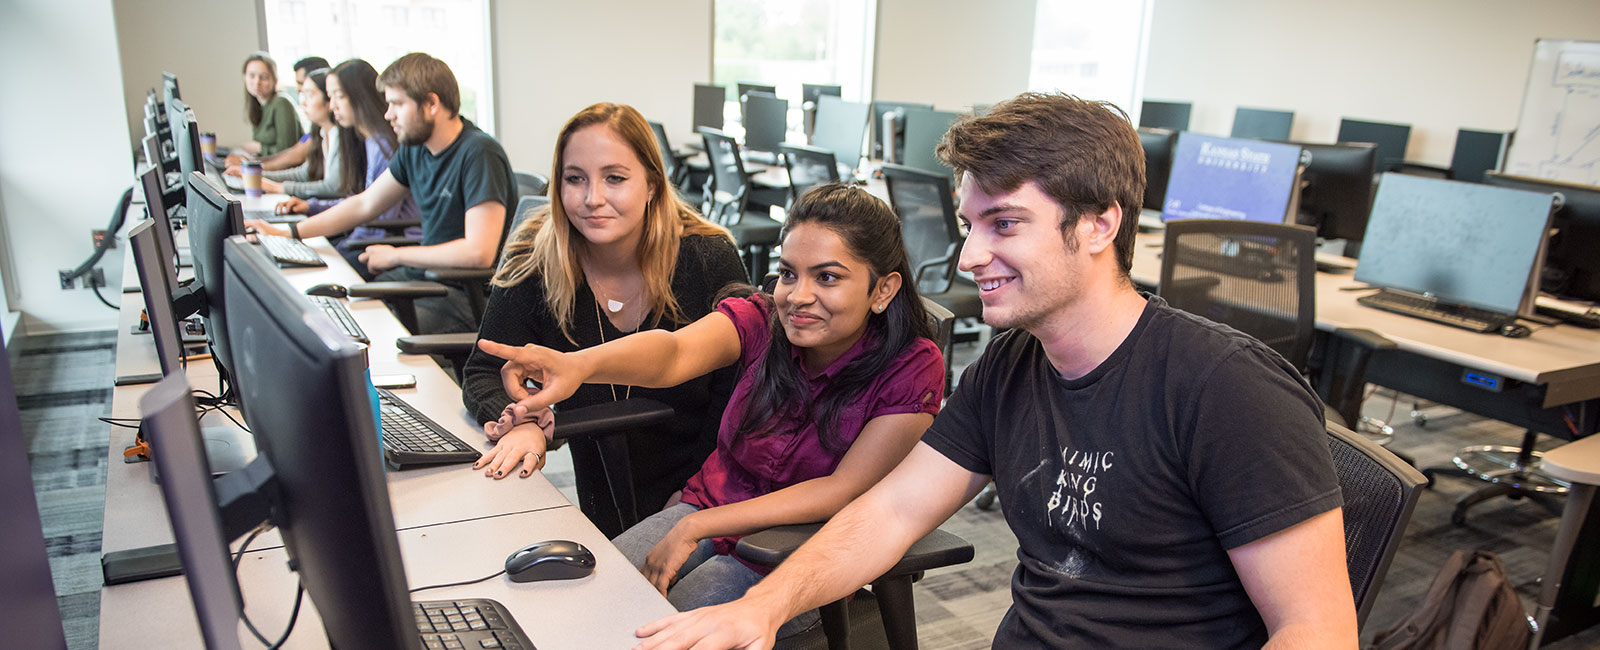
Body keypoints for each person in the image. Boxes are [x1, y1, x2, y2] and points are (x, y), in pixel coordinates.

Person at [630, 92, 1358, 650]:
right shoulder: (1011, 365)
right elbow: (889, 514)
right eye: (968, 222)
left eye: (1003, 224)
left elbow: (1318, 632)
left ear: (1100, 224)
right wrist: (765, 605)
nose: (971, 254)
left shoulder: (1226, 389)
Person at [481, 182, 945, 637]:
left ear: (882, 289)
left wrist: (695, 525)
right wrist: (577, 365)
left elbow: (840, 491)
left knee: (650, 632)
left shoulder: (913, 366)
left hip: (797, 546)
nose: (797, 296)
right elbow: (674, 353)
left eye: (827, 277)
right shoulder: (764, 318)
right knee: (594, 600)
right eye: (788, 273)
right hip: (710, 505)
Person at [460, 102, 747, 538]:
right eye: (575, 179)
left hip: (710, 488)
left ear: (652, 183)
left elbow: (746, 390)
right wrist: (521, 421)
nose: (592, 198)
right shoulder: (536, 256)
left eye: (615, 178)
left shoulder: (706, 258)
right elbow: (484, 369)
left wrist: (699, 488)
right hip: (601, 504)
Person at [244, 52, 515, 334]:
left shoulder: (479, 152)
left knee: (360, 329)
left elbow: (478, 252)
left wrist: (398, 255)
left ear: (432, 104)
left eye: (397, 104)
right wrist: (290, 233)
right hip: (426, 280)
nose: (388, 115)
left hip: (464, 296)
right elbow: (365, 204)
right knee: (332, 313)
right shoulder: (415, 149)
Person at [273, 59, 420, 278]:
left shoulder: (385, 145)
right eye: (331, 97)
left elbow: (373, 215)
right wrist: (311, 207)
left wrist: (338, 247)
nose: (332, 106)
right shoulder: (369, 141)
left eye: (339, 96)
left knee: (310, 272)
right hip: (371, 238)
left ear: (359, 96)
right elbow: (359, 201)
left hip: (389, 244)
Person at [227, 68, 341, 200]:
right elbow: (304, 172)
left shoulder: (282, 104)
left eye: (309, 95)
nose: (303, 102)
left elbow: (294, 155)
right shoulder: (320, 132)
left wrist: (263, 176)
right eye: (251, 76)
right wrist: (255, 174)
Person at [238, 52, 303, 157]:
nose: (256, 82)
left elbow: (287, 151)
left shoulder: (281, 103)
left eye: (263, 77)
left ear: (275, 80)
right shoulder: (258, 105)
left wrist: (258, 147)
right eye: (251, 76)